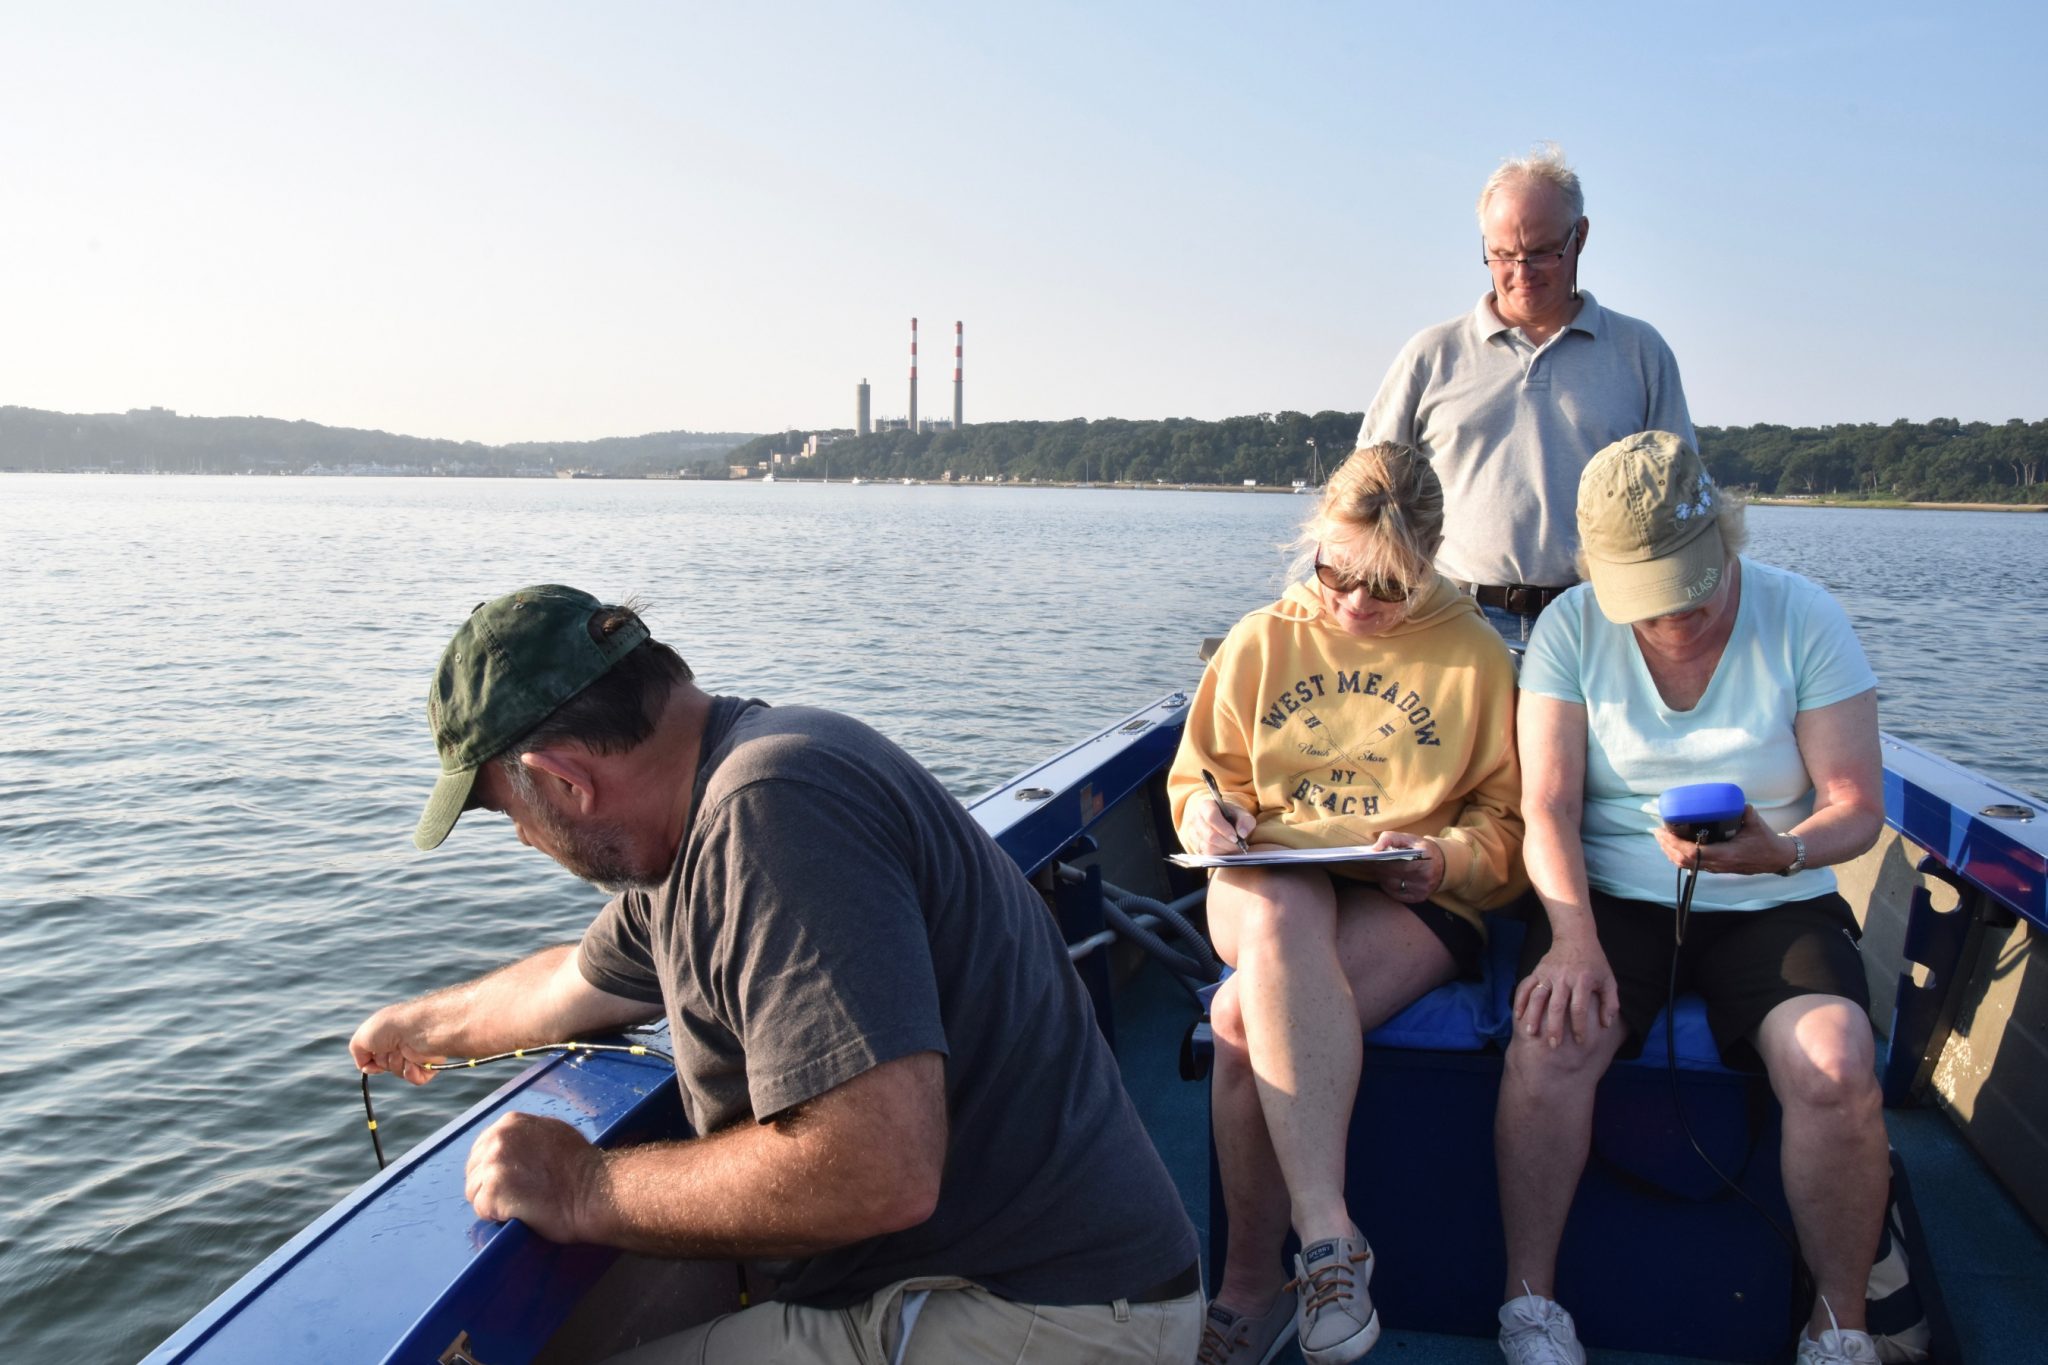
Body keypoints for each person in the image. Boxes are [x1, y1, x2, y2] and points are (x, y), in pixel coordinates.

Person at [350, 586, 1203, 1365]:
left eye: (506, 813)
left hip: (1045, 1314)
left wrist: (581, 1187)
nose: (525, 841)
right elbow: (570, 984)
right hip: (999, 1288)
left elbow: (880, 1167)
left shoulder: (771, 812)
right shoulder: (706, 818)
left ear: (561, 779)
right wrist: (415, 1027)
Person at [1496, 432, 1889, 1365]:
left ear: (1724, 536)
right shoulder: (1569, 629)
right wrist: (1570, 938)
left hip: (1775, 894)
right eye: (1648, 601)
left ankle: (1840, 1324)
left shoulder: (1805, 616)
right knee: (1551, 1040)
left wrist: (1779, 848)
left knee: (1835, 1065)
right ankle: (1530, 1303)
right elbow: (1545, 805)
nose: (1673, 620)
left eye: (1691, 591)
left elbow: (1858, 809)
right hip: (1612, 898)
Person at [1170, 444, 1526, 1365]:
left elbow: (1511, 826)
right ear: (1315, 542)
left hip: (1410, 893)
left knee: (1240, 1015)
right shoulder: (1262, 638)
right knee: (1284, 907)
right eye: (1336, 572)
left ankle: (1250, 1291)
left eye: (1388, 587)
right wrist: (1208, 813)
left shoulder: (1478, 655)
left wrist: (1444, 857)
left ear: (1433, 560)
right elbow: (1199, 775)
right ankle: (1331, 1239)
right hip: (1266, 879)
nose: (1356, 602)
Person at [1359, 143, 1695, 642]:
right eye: (1502, 254)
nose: (1521, 272)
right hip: (1452, 619)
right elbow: (1366, 494)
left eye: (1541, 252)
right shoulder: (1430, 354)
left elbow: (1681, 497)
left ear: (1580, 237)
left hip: (1600, 623)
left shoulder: (1641, 352)